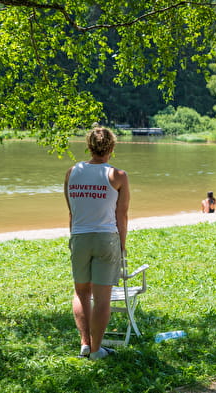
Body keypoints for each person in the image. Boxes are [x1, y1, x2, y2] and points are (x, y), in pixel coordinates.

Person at [64, 127, 130, 361]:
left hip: (80, 237)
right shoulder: (118, 175)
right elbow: (121, 215)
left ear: (89, 146)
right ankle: (96, 350)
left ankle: (85, 343)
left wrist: (75, 240)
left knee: (81, 292)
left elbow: (72, 213)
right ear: (111, 147)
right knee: (102, 297)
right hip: (106, 238)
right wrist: (121, 246)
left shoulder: (72, 172)